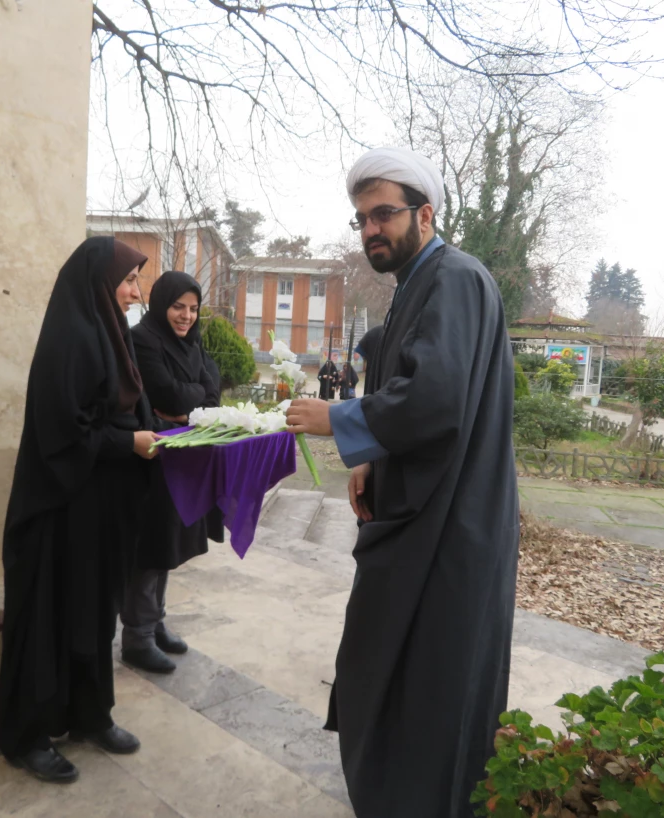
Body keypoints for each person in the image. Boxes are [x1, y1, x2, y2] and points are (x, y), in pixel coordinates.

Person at [285, 146, 520, 818]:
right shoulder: (418, 284)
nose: (369, 231)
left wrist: (338, 420)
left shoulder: (455, 279)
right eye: (360, 220)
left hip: (451, 531)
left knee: (433, 690)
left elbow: (436, 399)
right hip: (420, 516)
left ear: (425, 212)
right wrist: (370, 458)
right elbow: (406, 393)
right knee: (389, 671)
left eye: (382, 214)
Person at [0, 237, 160, 784]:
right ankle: (28, 735)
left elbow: (128, 408)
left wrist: (164, 435)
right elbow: (64, 433)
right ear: (99, 282)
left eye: (138, 281)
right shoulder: (71, 337)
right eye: (130, 281)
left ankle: (92, 715)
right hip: (58, 510)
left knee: (93, 614)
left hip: (101, 509)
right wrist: (128, 443)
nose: (138, 293)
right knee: (49, 618)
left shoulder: (114, 335)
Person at [124, 271, 224, 674]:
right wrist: (192, 401)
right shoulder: (143, 339)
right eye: (178, 307)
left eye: (193, 309)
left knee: (169, 543)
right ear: (161, 303)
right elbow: (166, 395)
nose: (186, 316)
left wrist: (190, 401)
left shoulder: (191, 344)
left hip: (184, 456)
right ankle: (137, 636)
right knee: (150, 546)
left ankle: (155, 622)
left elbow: (211, 393)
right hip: (152, 454)